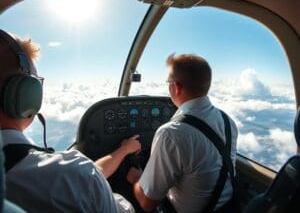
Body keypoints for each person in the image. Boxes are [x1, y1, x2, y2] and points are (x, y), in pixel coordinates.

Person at [0, 29, 141, 213]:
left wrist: (123, 150)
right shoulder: (75, 177)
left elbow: (84, 177)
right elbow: (83, 180)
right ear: (26, 94)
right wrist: (131, 187)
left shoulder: (74, 176)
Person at [127, 53, 238, 213]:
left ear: (176, 87)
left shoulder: (171, 134)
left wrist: (137, 178)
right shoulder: (228, 122)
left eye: (168, 82)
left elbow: (147, 202)